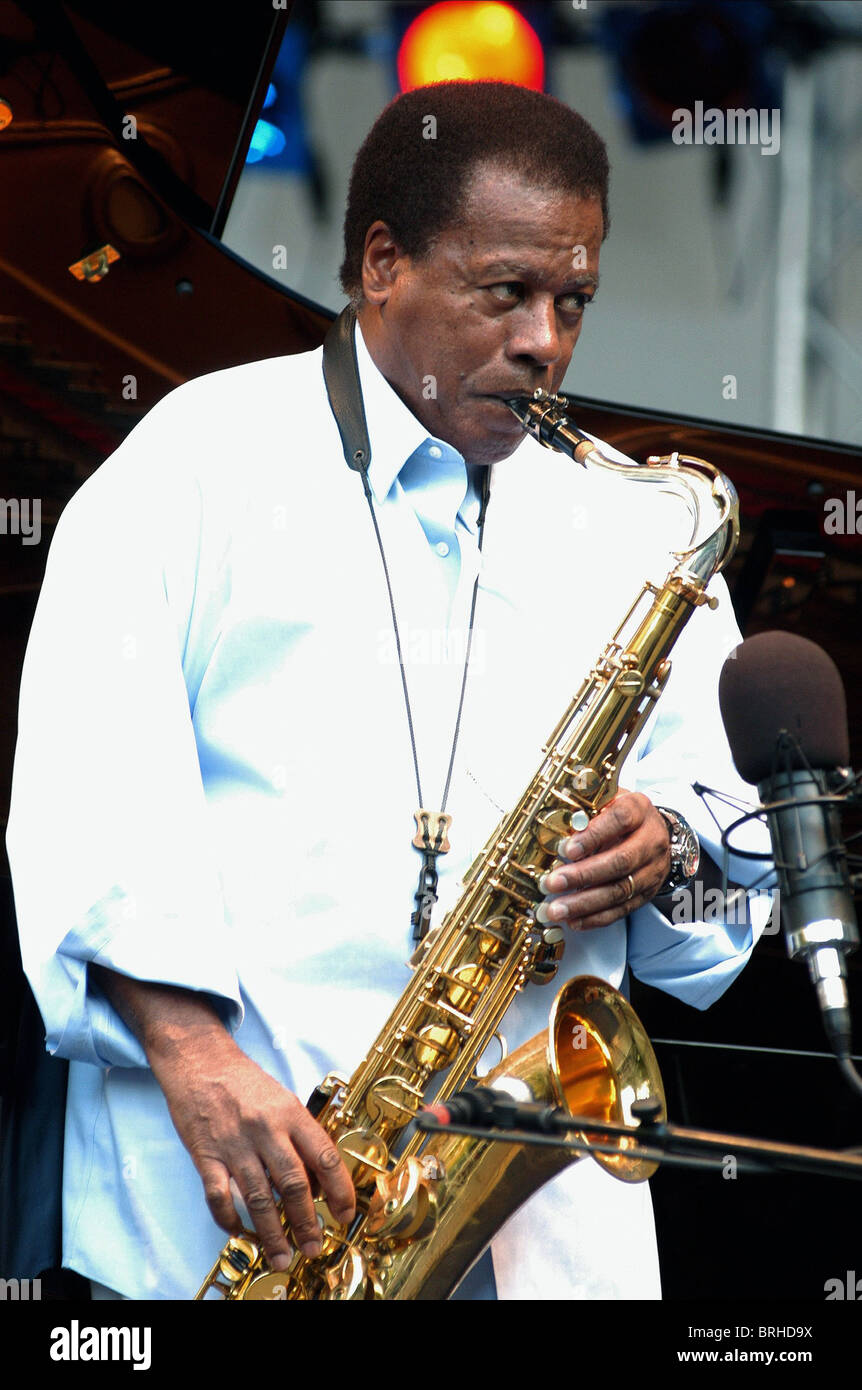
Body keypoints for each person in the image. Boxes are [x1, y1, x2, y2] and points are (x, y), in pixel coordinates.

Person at [7, 81, 769, 1301]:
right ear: (380, 263)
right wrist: (191, 1050)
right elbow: (86, 802)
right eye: (505, 293)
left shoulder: (645, 521)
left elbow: (733, 868)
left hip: (547, 1236)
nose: (546, 342)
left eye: (573, 301)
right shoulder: (195, 464)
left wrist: (667, 843)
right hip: (231, 1213)